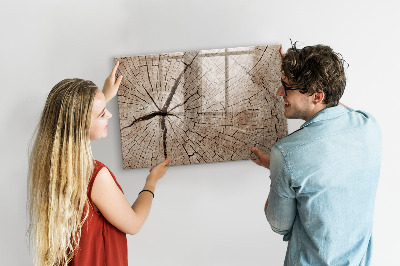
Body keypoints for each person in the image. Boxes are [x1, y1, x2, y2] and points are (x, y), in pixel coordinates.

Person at [27, 62, 171, 266]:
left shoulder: (50, 165)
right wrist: (151, 181)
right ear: (81, 124)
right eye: (102, 113)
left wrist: (104, 96)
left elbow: (77, 118)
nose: (109, 115)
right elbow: (134, 224)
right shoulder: (95, 176)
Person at [251, 44, 382, 265]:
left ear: (317, 96)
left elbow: (279, 225)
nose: (279, 92)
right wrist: (298, 75)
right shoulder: (369, 125)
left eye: (287, 87)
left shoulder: (286, 153)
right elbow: (335, 107)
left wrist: (278, 169)